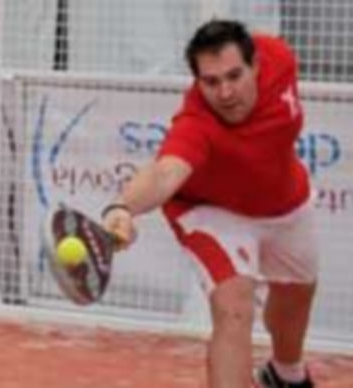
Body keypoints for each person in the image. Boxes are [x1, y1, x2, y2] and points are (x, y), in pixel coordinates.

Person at [101, 20, 317, 388]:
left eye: (234, 75)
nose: (226, 92)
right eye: (211, 82)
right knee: (233, 307)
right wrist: (121, 208)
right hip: (212, 210)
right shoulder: (196, 122)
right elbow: (165, 172)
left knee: (297, 293)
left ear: (257, 65)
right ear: (197, 82)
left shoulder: (280, 57)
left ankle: (285, 374)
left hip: (284, 199)